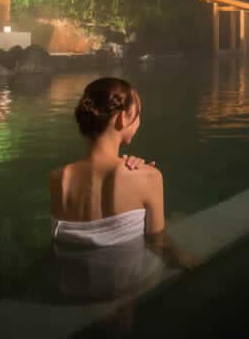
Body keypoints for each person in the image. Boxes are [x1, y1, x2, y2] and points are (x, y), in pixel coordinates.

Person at [49, 77, 198, 269]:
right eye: (138, 114)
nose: (139, 121)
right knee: (176, 220)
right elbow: (157, 243)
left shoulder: (58, 179)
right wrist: (182, 256)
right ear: (123, 118)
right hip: (129, 290)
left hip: (71, 291)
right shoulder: (149, 177)